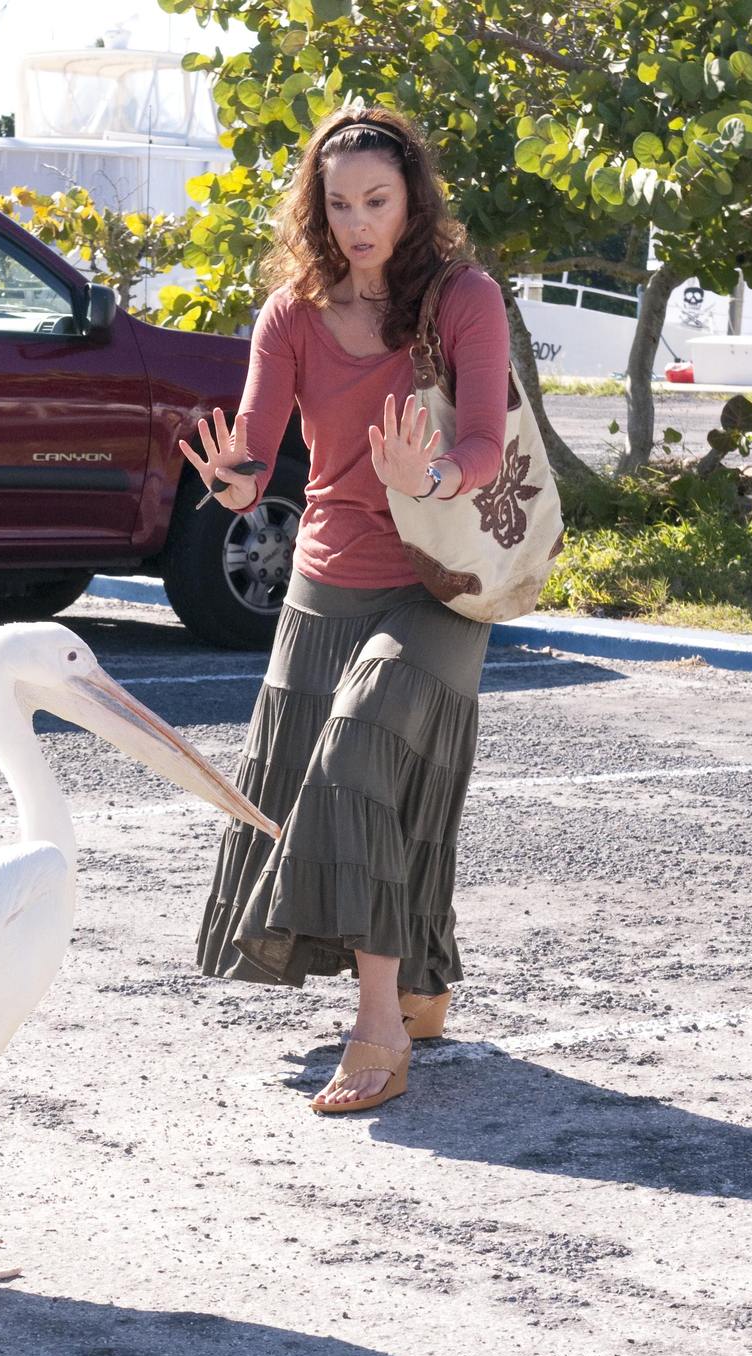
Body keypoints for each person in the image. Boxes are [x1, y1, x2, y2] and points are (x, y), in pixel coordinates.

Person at [182, 100, 512, 1114]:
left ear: (412, 196)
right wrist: (234, 486)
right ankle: (416, 982)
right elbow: (256, 441)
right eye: (338, 204)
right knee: (333, 786)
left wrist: (436, 475)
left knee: (358, 759)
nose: (357, 222)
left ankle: (375, 1028)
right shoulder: (290, 312)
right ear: (314, 210)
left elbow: (486, 445)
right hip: (325, 580)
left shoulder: (463, 299)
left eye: (376, 199)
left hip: (437, 585)